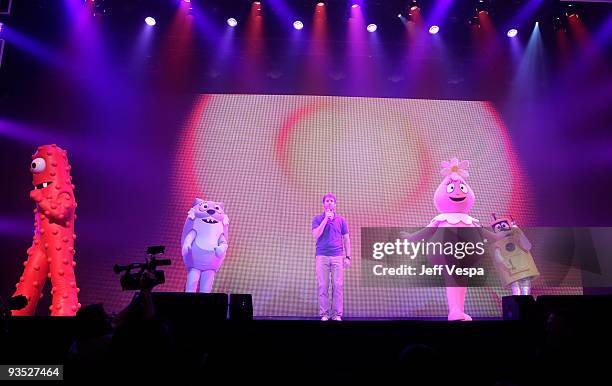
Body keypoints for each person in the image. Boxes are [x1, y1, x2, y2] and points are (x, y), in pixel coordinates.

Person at [311, 193, 351, 321]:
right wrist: (325, 220)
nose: (329, 202)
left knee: (337, 286)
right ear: (324, 204)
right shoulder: (317, 219)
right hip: (322, 256)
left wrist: (348, 256)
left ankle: (337, 314)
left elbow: (346, 239)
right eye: (327, 201)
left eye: (332, 201)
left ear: (335, 204)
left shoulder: (341, 220)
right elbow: (315, 235)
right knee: (323, 286)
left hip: (337, 256)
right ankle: (324, 314)